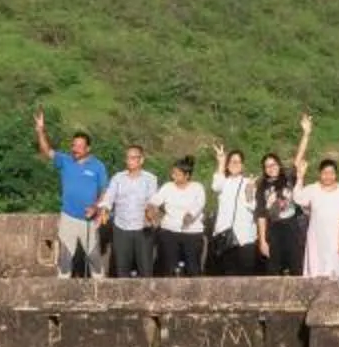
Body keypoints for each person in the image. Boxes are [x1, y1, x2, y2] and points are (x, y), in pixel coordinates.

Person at [34, 111, 110, 278]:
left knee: (94, 257)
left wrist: (96, 207)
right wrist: (40, 130)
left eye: (80, 146)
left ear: (88, 148)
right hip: (68, 216)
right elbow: (47, 151)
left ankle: (100, 286)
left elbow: (105, 190)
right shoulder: (65, 160)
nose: (75, 149)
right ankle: (63, 286)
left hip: (88, 219)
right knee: (65, 257)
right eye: (74, 145)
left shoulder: (98, 166)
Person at [258, 117, 310, 275]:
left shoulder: (288, 177)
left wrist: (306, 133)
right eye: (267, 166)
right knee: (273, 269)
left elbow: (298, 158)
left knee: (296, 267)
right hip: (274, 230)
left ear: (279, 164)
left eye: (273, 164)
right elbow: (261, 215)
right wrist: (262, 240)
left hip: (292, 227)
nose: (271, 168)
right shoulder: (262, 186)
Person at [99, 145, 158, 278]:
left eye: (133, 158)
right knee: (122, 268)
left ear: (141, 160)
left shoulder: (150, 179)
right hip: (122, 228)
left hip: (142, 228)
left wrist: (150, 211)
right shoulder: (118, 178)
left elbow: (152, 199)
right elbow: (109, 197)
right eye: (127, 158)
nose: (129, 161)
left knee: (145, 269)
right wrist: (105, 208)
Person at [150, 156, 208, 277]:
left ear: (187, 175)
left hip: (192, 232)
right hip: (169, 231)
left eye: (177, 174)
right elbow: (154, 201)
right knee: (169, 268)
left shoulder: (197, 187)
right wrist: (152, 212)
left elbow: (199, 205)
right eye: (173, 173)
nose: (173, 176)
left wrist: (189, 216)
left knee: (192, 268)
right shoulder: (167, 187)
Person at [296, 157, 339, 282]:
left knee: (334, 270)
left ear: (336, 174)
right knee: (315, 268)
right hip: (316, 238)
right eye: (325, 173)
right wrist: (300, 177)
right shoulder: (312, 189)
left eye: (331, 173)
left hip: (335, 238)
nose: (328, 176)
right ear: (320, 174)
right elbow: (298, 198)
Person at [208, 146, 259, 276]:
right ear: (227, 165)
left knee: (246, 275)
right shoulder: (224, 182)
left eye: (238, 162)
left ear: (243, 165)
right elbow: (215, 187)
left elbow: (253, 206)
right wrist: (221, 162)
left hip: (244, 236)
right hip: (225, 236)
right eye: (232, 161)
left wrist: (249, 191)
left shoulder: (248, 182)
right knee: (227, 275)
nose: (235, 164)